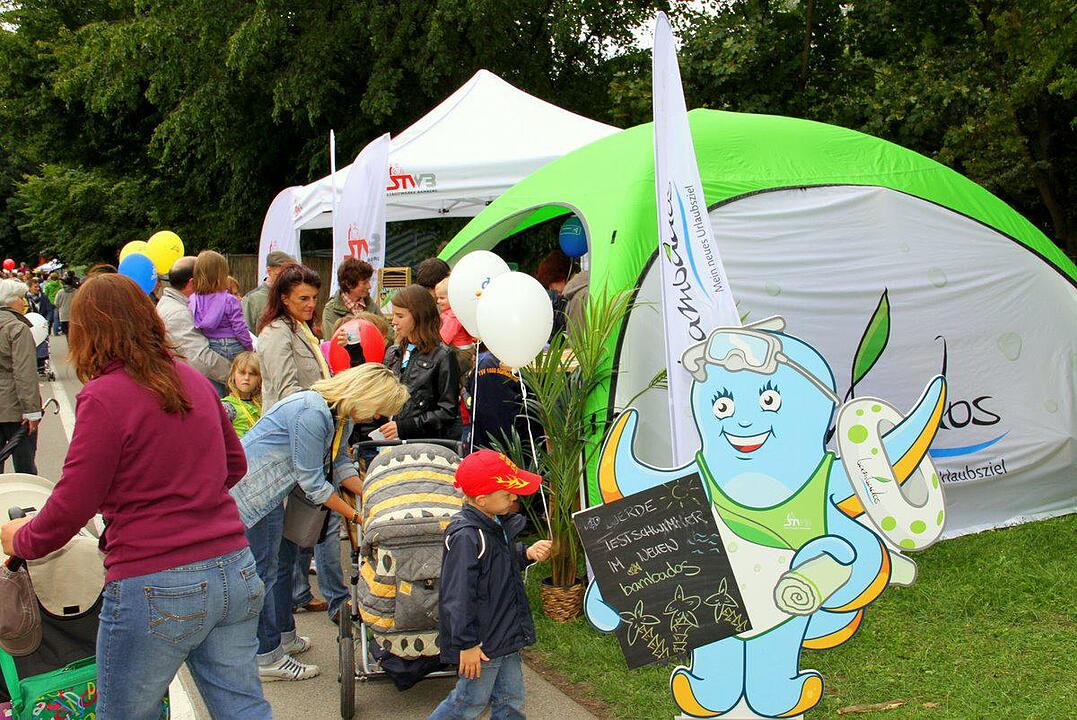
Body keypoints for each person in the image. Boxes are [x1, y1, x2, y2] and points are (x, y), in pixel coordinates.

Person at [0, 274, 270, 719]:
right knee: (242, 707)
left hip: (156, 578)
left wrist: (20, 539)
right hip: (233, 566)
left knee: (124, 712)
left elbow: (73, 502)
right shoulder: (191, 380)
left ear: (89, 331)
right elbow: (234, 465)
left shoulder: (105, 396)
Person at [229, 364, 408, 682]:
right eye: (378, 408)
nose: (376, 417)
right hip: (254, 495)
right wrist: (355, 515)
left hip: (273, 495)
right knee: (265, 574)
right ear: (365, 396)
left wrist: (376, 488)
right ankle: (267, 655)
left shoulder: (340, 415)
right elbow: (313, 481)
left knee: (280, 566)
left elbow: (339, 463)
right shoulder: (311, 412)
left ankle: (283, 636)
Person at [256, 263, 350, 622]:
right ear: (283, 298)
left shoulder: (300, 329)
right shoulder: (276, 333)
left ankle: (284, 626)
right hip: (290, 443)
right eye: (303, 298)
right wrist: (328, 401)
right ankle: (278, 632)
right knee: (283, 549)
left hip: (306, 438)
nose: (311, 304)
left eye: (314, 297)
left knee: (295, 542)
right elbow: (286, 391)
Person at [428, 450, 551, 720]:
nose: (514, 497)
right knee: (469, 702)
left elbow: (498, 563)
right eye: (507, 494)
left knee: (511, 698)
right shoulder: (467, 537)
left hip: (504, 635)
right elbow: (457, 596)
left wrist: (525, 554)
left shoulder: (494, 524)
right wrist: (467, 644)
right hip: (481, 644)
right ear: (482, 500)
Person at [380, 284, 460, 441]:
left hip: (425, 447)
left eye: (400, 316)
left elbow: (447, 411)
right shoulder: (393, 352)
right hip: (389, 443)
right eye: (394, 315)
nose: (394, 321)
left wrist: (406, 427)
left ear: (419, 316)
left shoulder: (443, 356)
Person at [156, 256, 231, 392]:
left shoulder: (175, 305)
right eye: (209, 279)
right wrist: (237, 373)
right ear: (192, 283)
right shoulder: (177, 313)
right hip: (197, 392)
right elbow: (200, 359)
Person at [0, 279, 42, 474]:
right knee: (25, 469)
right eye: (20, 297)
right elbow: (24, 372)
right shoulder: (17, 328)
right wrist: (32, 410)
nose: (23, 302)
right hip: (15, 408)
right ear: (10, 301)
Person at [189, 250, 254, 364]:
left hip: (210, 346)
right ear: (222, 275)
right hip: (234, 345)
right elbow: (240, 328)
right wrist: (249, 347)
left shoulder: (193, 300)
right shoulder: (229, 300)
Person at [322, 257, 382, 340]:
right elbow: (332, 342)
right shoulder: (331, 310)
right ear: (349, 284)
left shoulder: (370, 304)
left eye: (369, 281)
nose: (369, 286)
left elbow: (388, 332)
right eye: (364, 283)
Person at [243, 250, 295, 333]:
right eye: (280, 274)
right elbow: (245, 332)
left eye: (288, 274)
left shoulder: (293, 295)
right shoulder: (253, 298)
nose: (285, 278)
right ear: (269, 271)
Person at [221, 352, 262, 439]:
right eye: (242, 373)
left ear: (259, 378)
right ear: (233, 375)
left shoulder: (262, 404)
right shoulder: (227, 406)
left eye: (252, 374)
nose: (246, 378)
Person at [434, 277, 473, 348]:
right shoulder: (453, 311)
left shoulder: (452, 316)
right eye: (437, 298)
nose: (438, 301)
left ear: (452, 297)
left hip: (459, 350)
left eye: (442, 298)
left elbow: (444, 338)